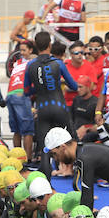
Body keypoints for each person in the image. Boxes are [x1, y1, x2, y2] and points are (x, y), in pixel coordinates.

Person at [44, 127, 109, 208]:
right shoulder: (84, 150)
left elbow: (87, 200)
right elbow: (78, 186)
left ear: (63, 147)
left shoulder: (85, 158)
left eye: (54, 154)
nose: (56, 159)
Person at [24, 31, 78, 174]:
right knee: (72, 142)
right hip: (59, 107)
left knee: (45, 149)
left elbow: (26, 91)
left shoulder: (30, 65)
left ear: (35, 45)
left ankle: (46, 190)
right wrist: (58, 81)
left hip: (42, 109)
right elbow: (74, 86)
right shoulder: (58, 63)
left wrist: (39, 86)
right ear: (50, 45)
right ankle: (80, 180)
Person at [6, 40, 36, 158]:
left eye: (24, 50)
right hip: (21, 95)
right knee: (28, 130)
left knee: (17, 130)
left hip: (10, 95)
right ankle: (27, 160)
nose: (22, 53)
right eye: (21, 50)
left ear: (30, 50)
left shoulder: (17, 63)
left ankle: (16, 158)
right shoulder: (32, 61)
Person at [63, 41, 98, 108]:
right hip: (68, 103)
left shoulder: (89, 66)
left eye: (81, 53)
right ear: (71, 55)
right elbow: (62, 87)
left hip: (84, 103)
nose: (80, 55)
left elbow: (91, 86)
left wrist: (71, 87)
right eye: (76, 53)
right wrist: (81, 86)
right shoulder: (65, 67)